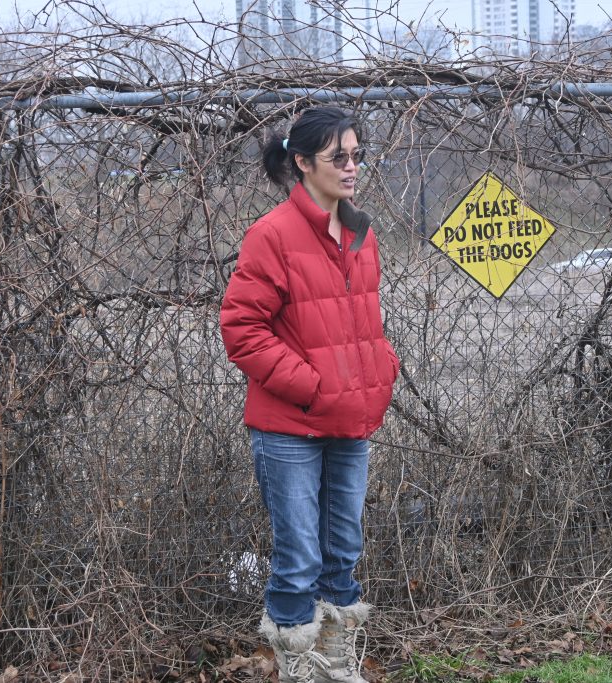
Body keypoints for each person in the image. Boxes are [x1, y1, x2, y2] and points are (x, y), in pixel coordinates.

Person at [220, 106, 399, 683]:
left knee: (343, 553)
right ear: (301, 163)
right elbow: (242, 329)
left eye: (357, 154)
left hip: (351, 421)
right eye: (337, 157)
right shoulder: (272, 234)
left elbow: (362, 325)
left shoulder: (359, 231)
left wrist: (381, 369)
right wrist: (314, 386)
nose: (352, 167)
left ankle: (336, 666)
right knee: (299, 561)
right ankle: (300, 668)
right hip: (289, 427)